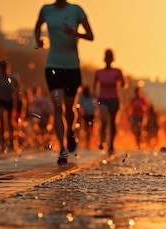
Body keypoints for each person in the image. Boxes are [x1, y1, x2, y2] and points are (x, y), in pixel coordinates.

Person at [35, 0, 94, 165]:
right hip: (53, 66)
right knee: (57, 106)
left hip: (72, 67)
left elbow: (91, 36)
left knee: (69, 108)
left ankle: (70, 133)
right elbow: (37, 27)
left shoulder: (77, 10)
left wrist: (75, 33)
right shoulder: (46, 10)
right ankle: (62, 148)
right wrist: (38, 41)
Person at [93, 49, 126, 154]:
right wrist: (94, 95)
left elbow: (123, 83)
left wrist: (122, 83)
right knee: (104, 120)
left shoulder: (117, 71)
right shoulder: (99, 72)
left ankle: (111, 143)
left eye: (109, 57)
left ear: (112, 59)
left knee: (112, 122)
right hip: (102, 98)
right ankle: (102, 140)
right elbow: (94, 84)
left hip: (114, 98)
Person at [0, 60, 22, 151]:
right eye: (3, 68)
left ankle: (13, 142)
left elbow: (19, 89)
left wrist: (17, 94)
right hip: (1, 100)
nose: (4, 70)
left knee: (11, 121)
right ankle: (3, 142)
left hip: (11, 101)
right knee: (1, 120)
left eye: (6, 68)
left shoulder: (13, 77)